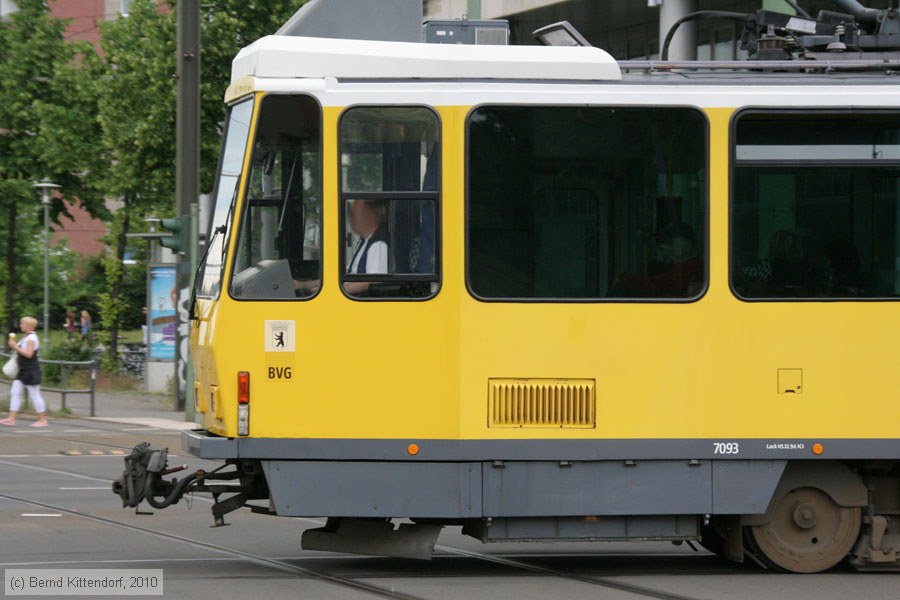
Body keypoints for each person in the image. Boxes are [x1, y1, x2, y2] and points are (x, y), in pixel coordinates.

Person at [293, 199, 389, 296]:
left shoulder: (378, 244)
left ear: (371, 216)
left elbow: (373, 282)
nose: (352, 219)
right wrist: (302, 285)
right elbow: (342, 278)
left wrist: (332, 290)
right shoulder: (364, 241)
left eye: (356, 215)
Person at [620, 222, 702, 297]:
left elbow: (652, 288)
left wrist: (624, 276)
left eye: (670, 243)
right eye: (664, 243)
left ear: (687, 246)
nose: (664, 248)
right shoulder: (684, 267)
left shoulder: (688, 270)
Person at [0, 317, 48, 427]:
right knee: (15, 391)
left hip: (30, 371)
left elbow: (29, 354)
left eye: (22, 324)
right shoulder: (26, 337)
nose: (20, 325)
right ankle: (11, 419)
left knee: (35, 394)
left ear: (28, 326)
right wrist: (14, 345)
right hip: (23, 370)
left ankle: (42, 420)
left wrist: (15, 347)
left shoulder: (31, 338)